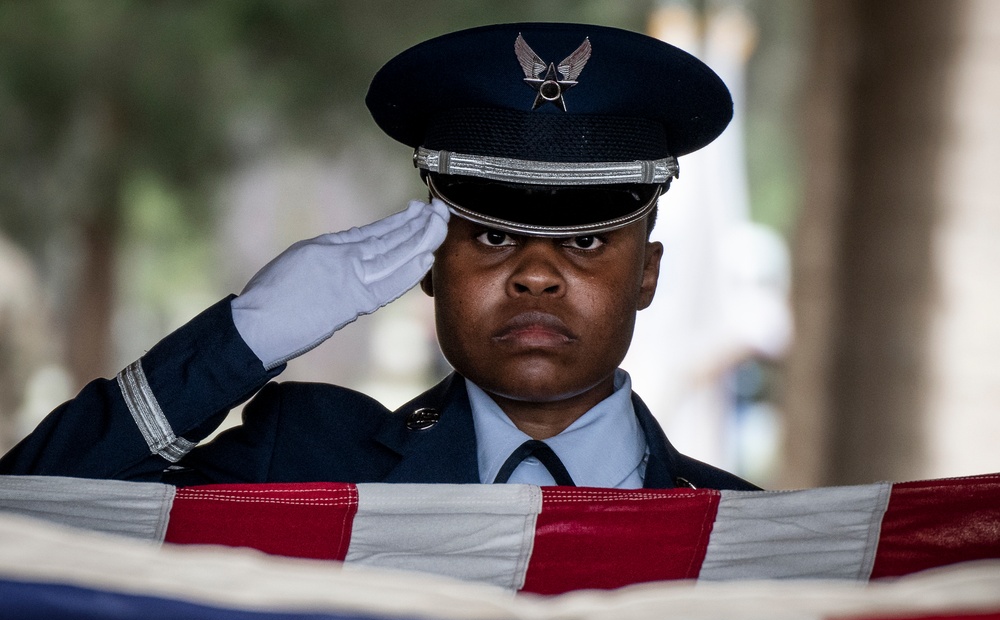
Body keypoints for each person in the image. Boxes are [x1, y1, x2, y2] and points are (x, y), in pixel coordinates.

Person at [0, 23, 758, 492]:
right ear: (429, 266)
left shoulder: (736, 530)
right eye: (491, 234)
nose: (534, 272)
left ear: (648, 274)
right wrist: (241, 340)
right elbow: (32, 516)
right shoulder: (301, 460)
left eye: (587, 240)